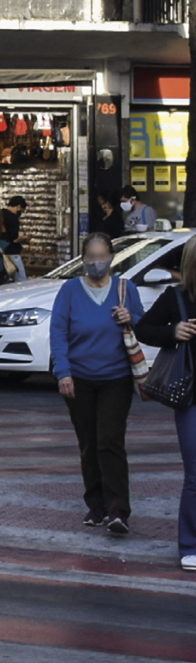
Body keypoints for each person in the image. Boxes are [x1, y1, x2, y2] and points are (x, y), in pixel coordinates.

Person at [52, 231, 143, 538]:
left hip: (116, 376)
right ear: (82, 259)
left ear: (111, 258)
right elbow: (58, 332)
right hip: (79, 377)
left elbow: (143, 321)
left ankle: (118, 509)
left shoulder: (124, 288)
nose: (96, 264)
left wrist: (130, 317)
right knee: (88, 442)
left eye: (101, 258)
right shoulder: (69, 291)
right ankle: (96, 504)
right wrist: (63, 372)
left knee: (110, 440)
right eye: (90, 258)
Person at [136, 234, 196, 572]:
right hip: (191, 397)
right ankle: (190, 544)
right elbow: (144, 329)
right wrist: (174, 331)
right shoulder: (177, 298)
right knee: (195, 474)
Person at [2, 194, 29, 281]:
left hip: (1, 251)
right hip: (12, 252)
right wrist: (25, 239)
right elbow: (15, 238)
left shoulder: (0, 214)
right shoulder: (13, 218)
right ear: (18, 207)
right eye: (22, 210)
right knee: (21, 278)